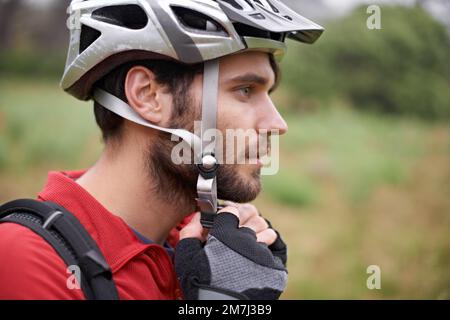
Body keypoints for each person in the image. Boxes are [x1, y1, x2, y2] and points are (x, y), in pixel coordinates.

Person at [0, 0, 323, 300]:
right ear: (148, 95)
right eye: (245, 90)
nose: (277, 124)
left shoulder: (201, 250)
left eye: (268, 92)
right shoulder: (26, 259)